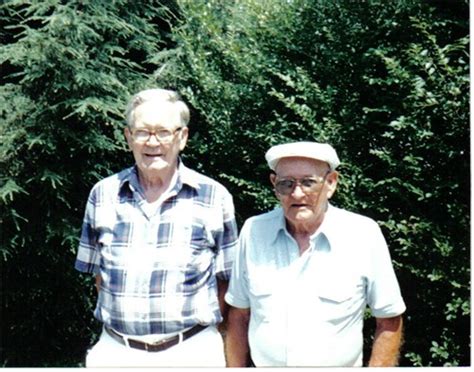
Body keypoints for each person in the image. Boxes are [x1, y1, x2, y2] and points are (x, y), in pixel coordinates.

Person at [75, 88, 238, 367]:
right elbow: (99, 277)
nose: (153, 142)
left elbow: (229, 283)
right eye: (142, 132)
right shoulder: (102, 194)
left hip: (191, 353)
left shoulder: (214, 197)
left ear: (182, 137)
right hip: (116, 354)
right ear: (128, 138)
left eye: (163, 132)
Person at [225, 141, 406, 367]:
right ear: (274, 185)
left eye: (308, 182)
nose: (297, 193)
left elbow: (389, 320)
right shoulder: (254, 231)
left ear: (331, 183)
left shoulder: (363, 235)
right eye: (286, 184)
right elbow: (238, 316)